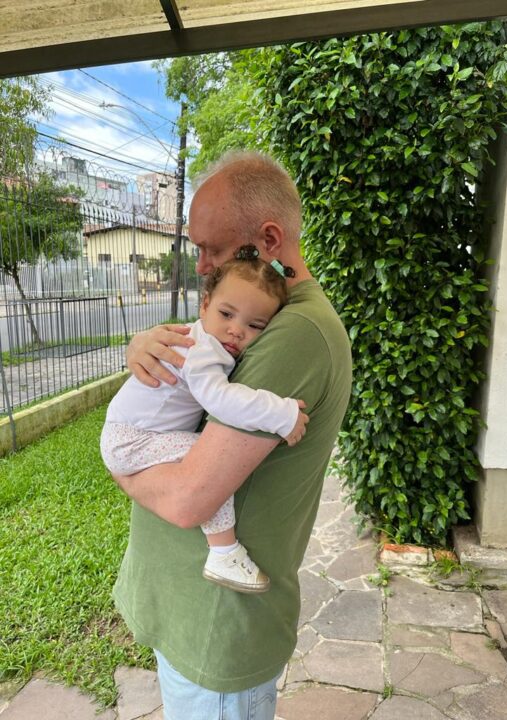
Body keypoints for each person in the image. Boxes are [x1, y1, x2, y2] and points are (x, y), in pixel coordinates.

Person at [111, 151, 352, 720]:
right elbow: (191, 383)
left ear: (268, 241)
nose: (200, 265)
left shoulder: (294, 332)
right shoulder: (253, 316)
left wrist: (119, 463)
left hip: (218, 626)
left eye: (213, 249)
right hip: (193, 613)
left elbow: (187, 498)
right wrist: (143, 347)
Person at [100, 248, 309, 594]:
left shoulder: (206, 339)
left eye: (255, 325)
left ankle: (222, 551)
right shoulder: (203, 350)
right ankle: (223, 552)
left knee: (207, 460)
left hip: (129, 434)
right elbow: (221, 400)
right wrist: (281, 414)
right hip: (132, 439)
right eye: (227, 314)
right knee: (210, 462)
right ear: (205, 305)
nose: (236, 330)